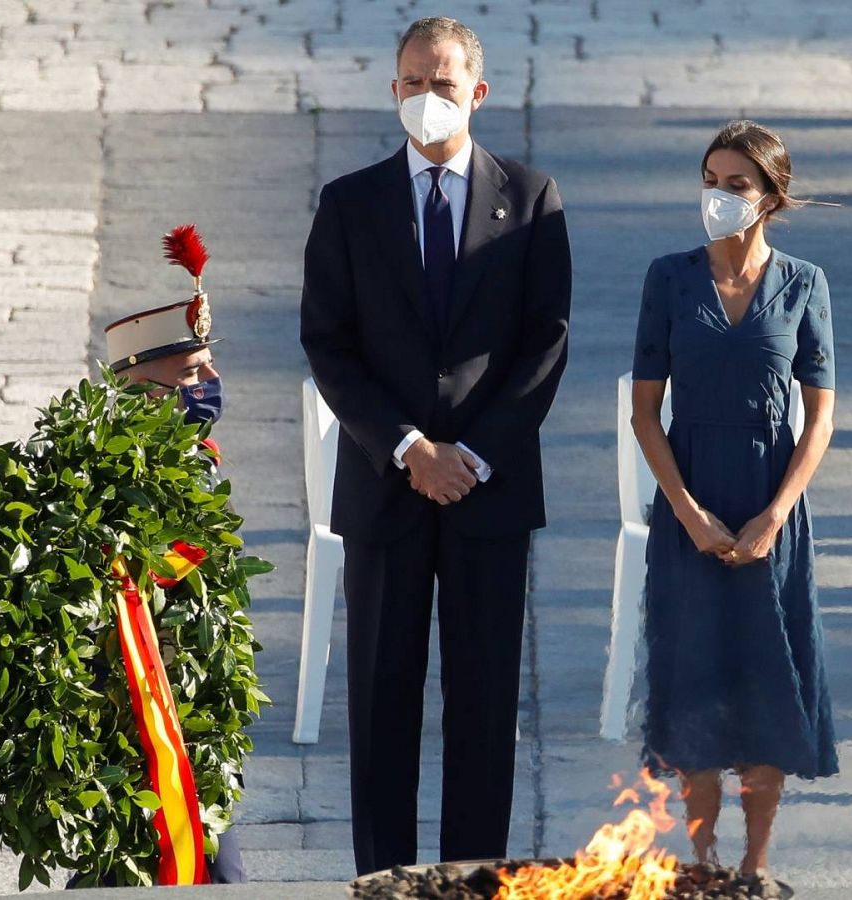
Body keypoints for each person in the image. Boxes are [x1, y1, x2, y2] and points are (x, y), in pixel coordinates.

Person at [299, 16, 572, 875]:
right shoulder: (350, 203)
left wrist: (473, 456)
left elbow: (546, 342)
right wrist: (412, 448)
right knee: (382, 699)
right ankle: (382, 881)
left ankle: (472, 883)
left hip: (488, 494)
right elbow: (327, 343)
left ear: (477, 93)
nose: (427, 98)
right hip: (388, 491)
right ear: (393, 91)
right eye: (413, 82)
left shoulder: (529, 198)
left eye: (443, 84)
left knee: (483, 703)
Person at [630, 120, 839, 878]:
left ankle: (753, 864)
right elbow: (646, 414)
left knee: (764, 679)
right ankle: (703, 860)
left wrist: (774, 514)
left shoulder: (804, 283)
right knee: (694, 678)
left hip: (768, 499)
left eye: (736, 185)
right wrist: (686, 512)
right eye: (710, 181)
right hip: (692, 494)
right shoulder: (670, 278)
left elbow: (819, 417)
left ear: (770, 197)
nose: (717, 196)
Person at [90, 225, 244, 884]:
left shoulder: (198, 461)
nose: (210, 381)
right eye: (190, 372)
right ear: (144, 390)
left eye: (207, 364)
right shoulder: (106, 476)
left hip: (194, 711)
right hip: (138, 714)